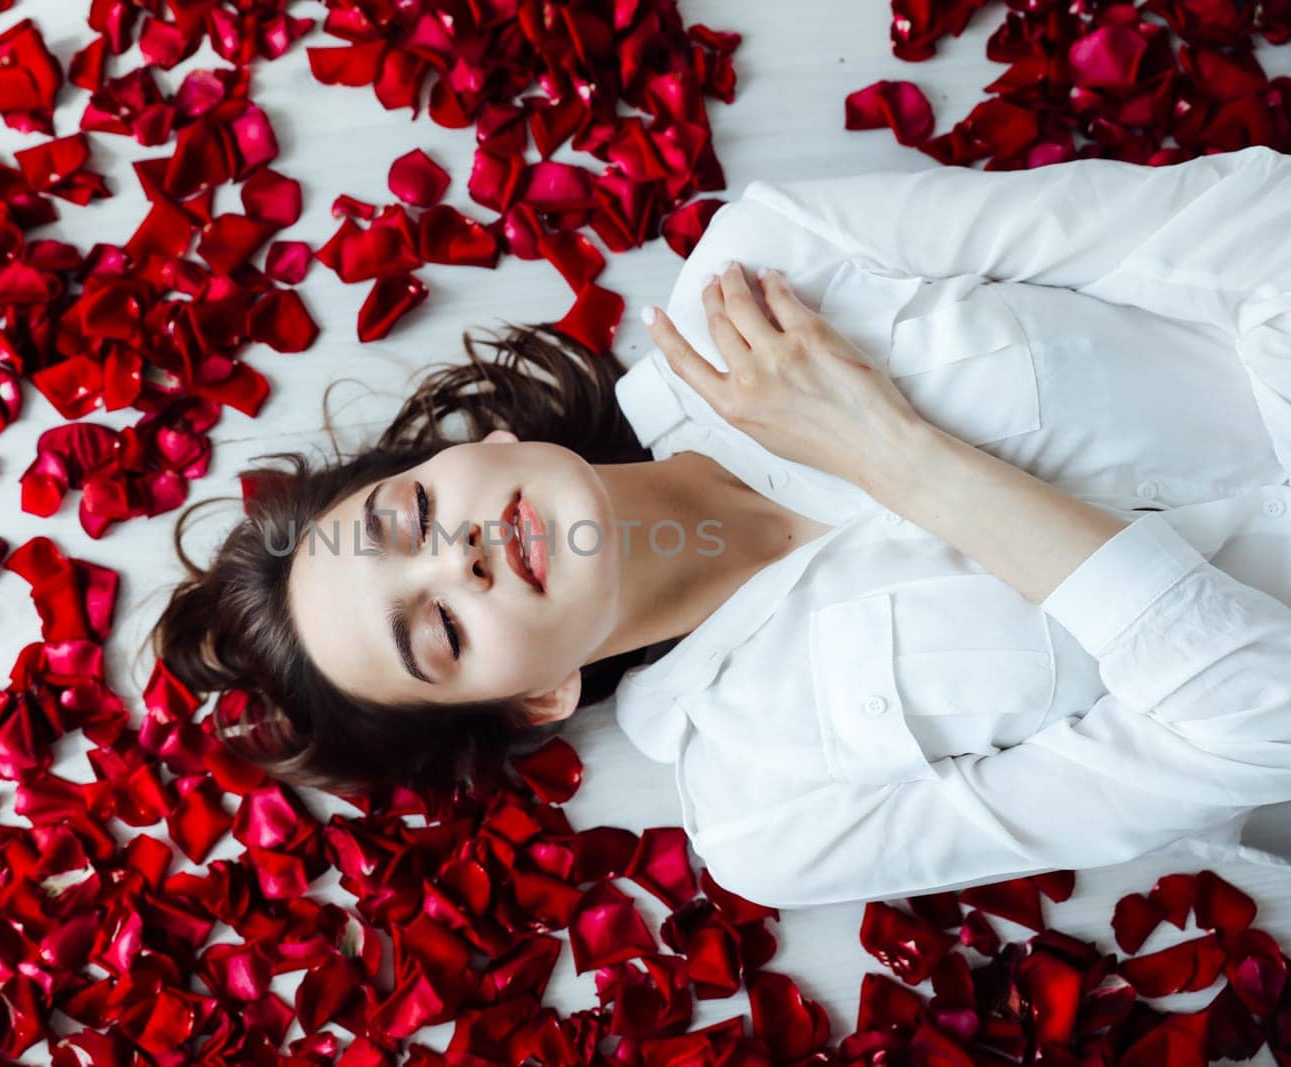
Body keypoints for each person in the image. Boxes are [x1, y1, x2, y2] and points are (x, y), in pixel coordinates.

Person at [147, 144, 1291, 908]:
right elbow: (1264, 731)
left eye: (410, 516)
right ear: (536, 699)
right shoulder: (774, 816)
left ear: (473, 446)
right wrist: (897, 454)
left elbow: (1259, 216)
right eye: (438, 629)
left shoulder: (768, 262)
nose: (462, 556)